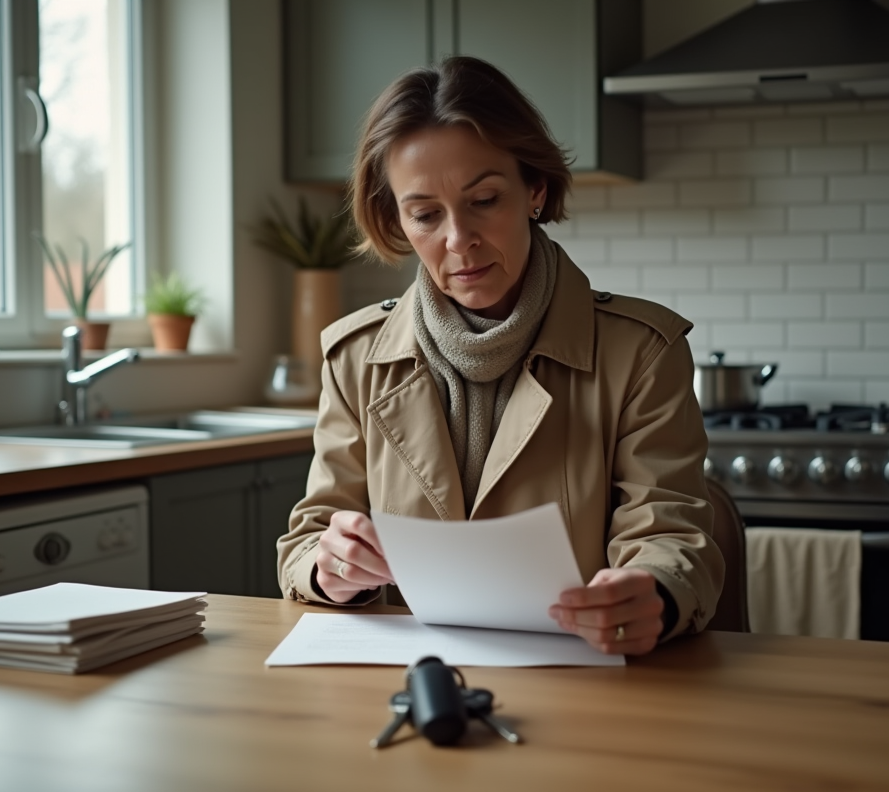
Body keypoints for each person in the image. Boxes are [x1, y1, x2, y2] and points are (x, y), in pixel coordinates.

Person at [277, 56, 723, 656]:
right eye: (425, 214)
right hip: (416, 686)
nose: (459, 241)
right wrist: (329, 569)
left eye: (484, 199)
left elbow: (672, 534)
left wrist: (655, 592)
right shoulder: (354, 356)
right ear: (398, 221)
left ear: (534, 189)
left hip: (591, 686)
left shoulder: (642, 351)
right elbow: (308, 539)